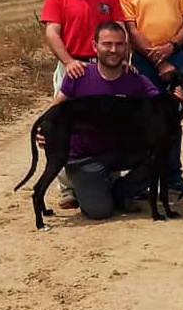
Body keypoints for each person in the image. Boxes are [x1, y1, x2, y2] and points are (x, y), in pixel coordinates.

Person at [41, 0, 128, 209]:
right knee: (64, 126)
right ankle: (68, 187)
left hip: (105, 68)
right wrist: (68, 62)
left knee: (109, 123)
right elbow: (52, 32)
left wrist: (124, 60)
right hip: (73, 66)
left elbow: (121, 30)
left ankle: (109, 177)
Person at [47, 22, 159, 220]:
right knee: (100, 212)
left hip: (119, 152)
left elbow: (162, 106)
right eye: (107, 44)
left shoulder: (135, 80)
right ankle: (89, 187)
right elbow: (56, 111)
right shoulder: (78, 76)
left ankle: (122, 190)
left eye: (119, 44)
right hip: (84, 157)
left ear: (127, 47)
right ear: (94, 46)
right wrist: (44, 132)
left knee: (162, 152)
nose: (113, 50)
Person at [115, 0, 183, 194]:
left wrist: (171, 47)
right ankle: (143, 179)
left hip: (178, 55)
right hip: (144, 61)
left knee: (175, 117)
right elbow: (131, 28)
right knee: (146, 122)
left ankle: (172, 176)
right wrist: (159, 60)